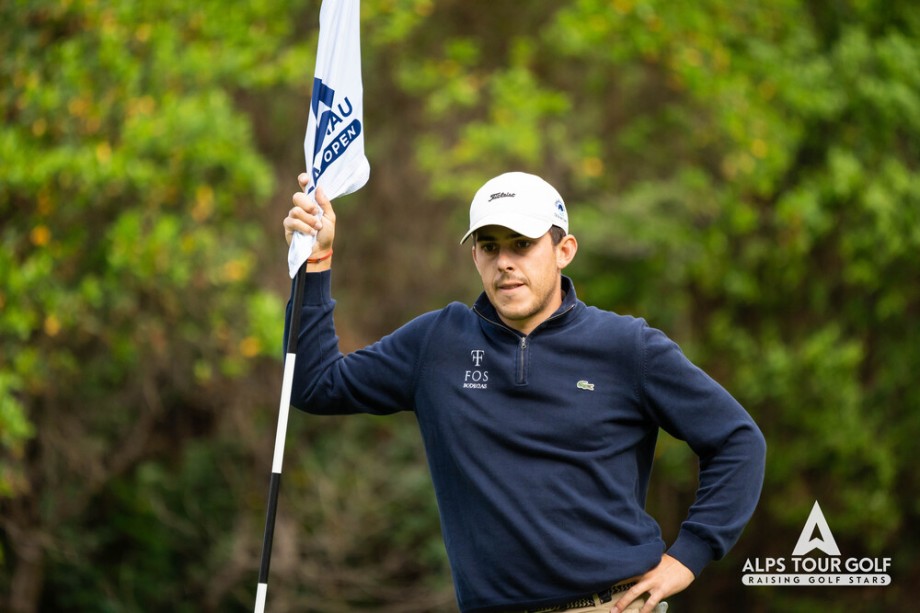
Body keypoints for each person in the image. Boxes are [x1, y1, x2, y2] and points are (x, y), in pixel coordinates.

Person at [282, 171, 766, 613]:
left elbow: (737, 441)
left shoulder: (627, 347)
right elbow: (315, 385)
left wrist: (688, 556)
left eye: (521, 244)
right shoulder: (437, 343)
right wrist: (316, 259)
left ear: (564, 249)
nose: (505, 263)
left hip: (613, 605)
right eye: (489, 247)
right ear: (474, 256)